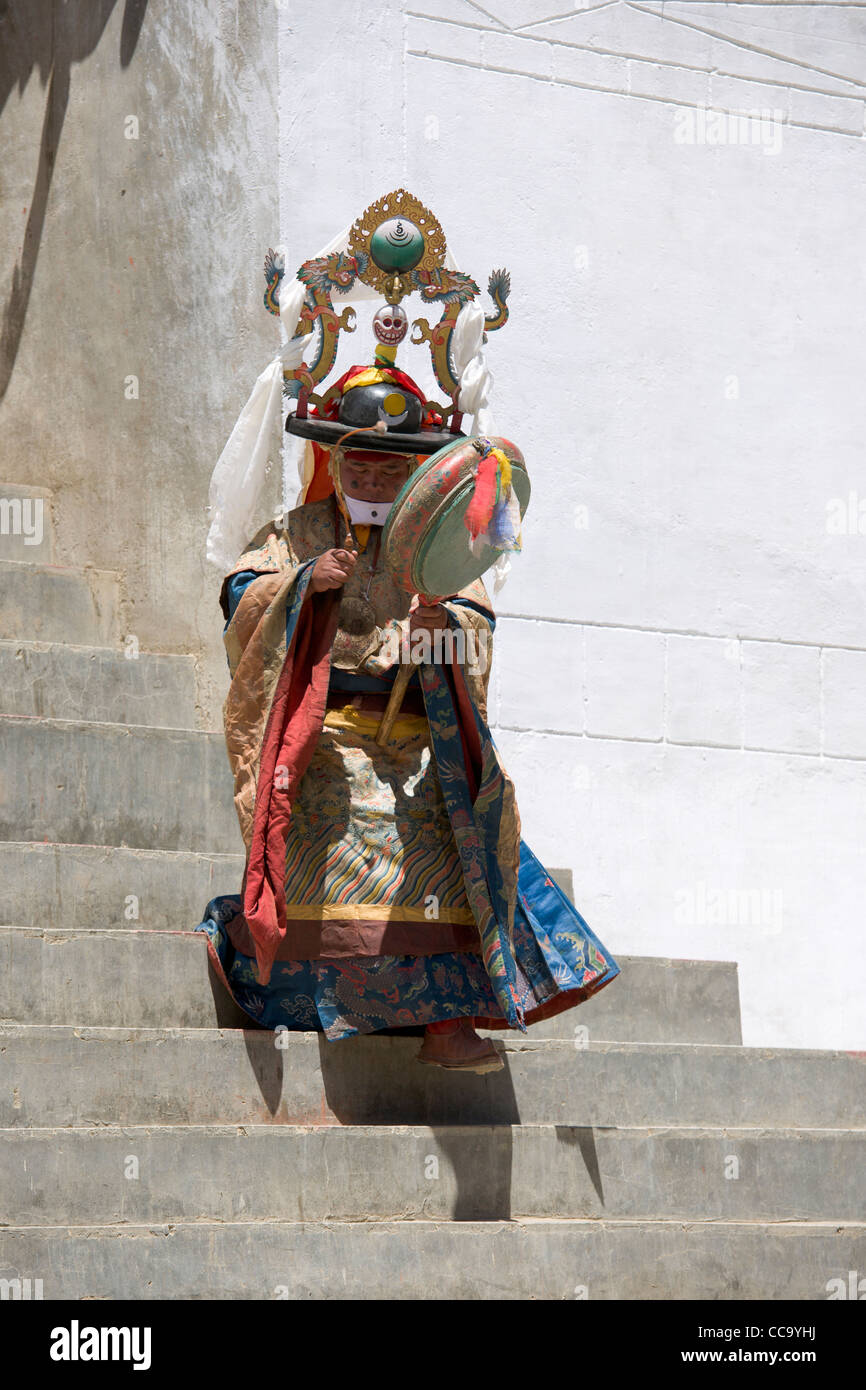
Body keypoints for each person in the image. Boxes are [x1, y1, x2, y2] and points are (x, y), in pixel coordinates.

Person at [196, 189, 620, 1072]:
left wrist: (440, 626)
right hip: (326, 738)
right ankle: (273, 971)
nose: (381, 474)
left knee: (451, 811)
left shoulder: (436, 550)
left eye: (400, 463)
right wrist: (307, 586)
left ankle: (445, 1021)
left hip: (418, 735)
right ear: (333, 457)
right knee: (327, 809)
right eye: (365, 459)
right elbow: (241, 597)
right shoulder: (298, 532)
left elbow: (477, 628)